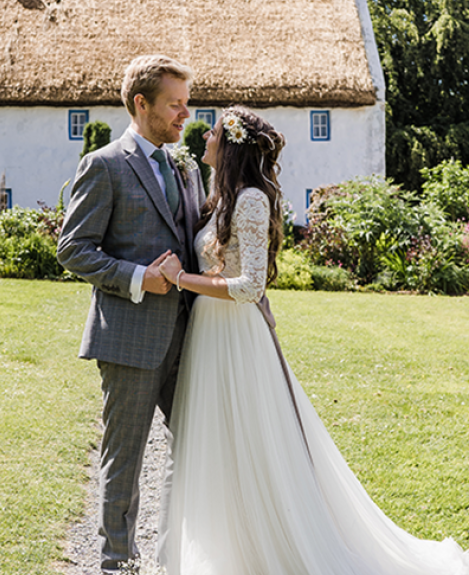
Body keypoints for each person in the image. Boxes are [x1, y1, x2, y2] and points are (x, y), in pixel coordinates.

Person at [155, 105, 469, 575]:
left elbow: (249, 286)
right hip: (208, 333)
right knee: (217, 443)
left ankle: (270, 544)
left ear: (233, 143)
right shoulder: (221, 198)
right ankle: (228, 549)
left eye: (214, 132)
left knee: (252, 441)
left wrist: (182, 280)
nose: (205, 139)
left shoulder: (251, 201)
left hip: (236, 337)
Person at [57, 54, 206, 573]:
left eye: (187, 104)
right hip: (128, 336)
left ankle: (178, 550)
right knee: (126, 456)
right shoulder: (104, 165)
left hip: (191, 336)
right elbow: (73, 249)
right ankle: (117, 561)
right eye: (175, 105)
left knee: (198, 444)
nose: (185, 115)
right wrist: (141, 277)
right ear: (141, 104)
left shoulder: (185, 167)